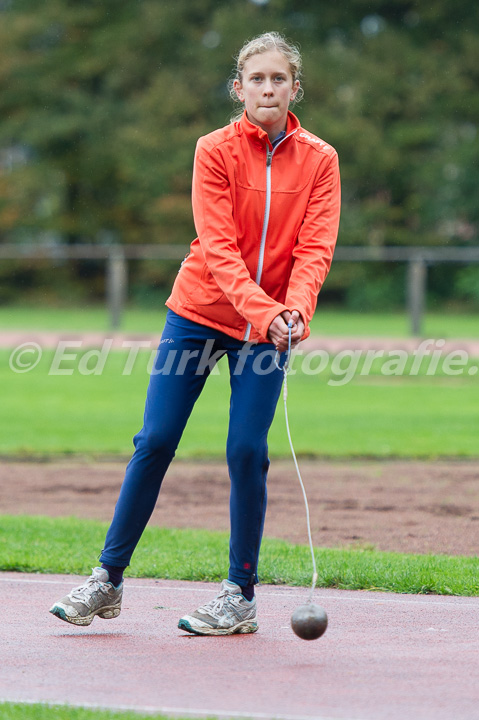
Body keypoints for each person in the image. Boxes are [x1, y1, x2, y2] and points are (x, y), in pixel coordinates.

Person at [49, 31, 341, 636]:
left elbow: (315, 249)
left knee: (246, 451)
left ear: (295, 87)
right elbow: (219, 248)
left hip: (269, 332)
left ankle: (240, 594)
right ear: (238, 88)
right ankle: (107, 579)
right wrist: (265, 311)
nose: (267, 88)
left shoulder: (321, 160)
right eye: (256, 79)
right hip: (198, 316)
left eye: (278, 78)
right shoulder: (213, 149)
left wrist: (295, 313)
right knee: (154, 440)